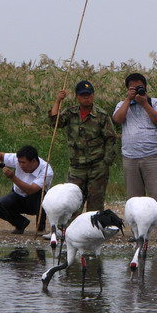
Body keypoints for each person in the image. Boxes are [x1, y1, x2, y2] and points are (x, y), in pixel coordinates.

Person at [113, 72, 157, 242]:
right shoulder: (122, 104)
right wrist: (127, 101)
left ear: (145, 87)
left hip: (152, 155)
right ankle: (137, 232)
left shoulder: (155, 102)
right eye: (133, 88)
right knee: (134, 198)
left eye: (140, 87)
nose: (137, 90)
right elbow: (118, 119)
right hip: (130, 156)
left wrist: (144, 103)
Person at [49, 80, 117, 213]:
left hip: (97, 166)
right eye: (83, 95)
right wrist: (58, 101)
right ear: (77, 97)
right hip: (77, 167)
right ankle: (71, 231)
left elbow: (111, 139)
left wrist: (106, 162)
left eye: (89, 94)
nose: (86, 98)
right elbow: (54, 122)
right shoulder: (70, 113)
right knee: (73, 201)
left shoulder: (101, 116)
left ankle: (93, 231)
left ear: (93, 95)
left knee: (95, 203)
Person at [0, 145, 54, 234]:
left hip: (35, 202)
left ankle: (40, 228)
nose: (21, 165)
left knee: (40, 192)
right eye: (19, 162)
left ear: (33, 161)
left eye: (24, 163)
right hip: (17, 196)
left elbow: (31, 190)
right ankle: (20, 223)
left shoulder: (47, 171)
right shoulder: (17, 159)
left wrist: (12, 177)